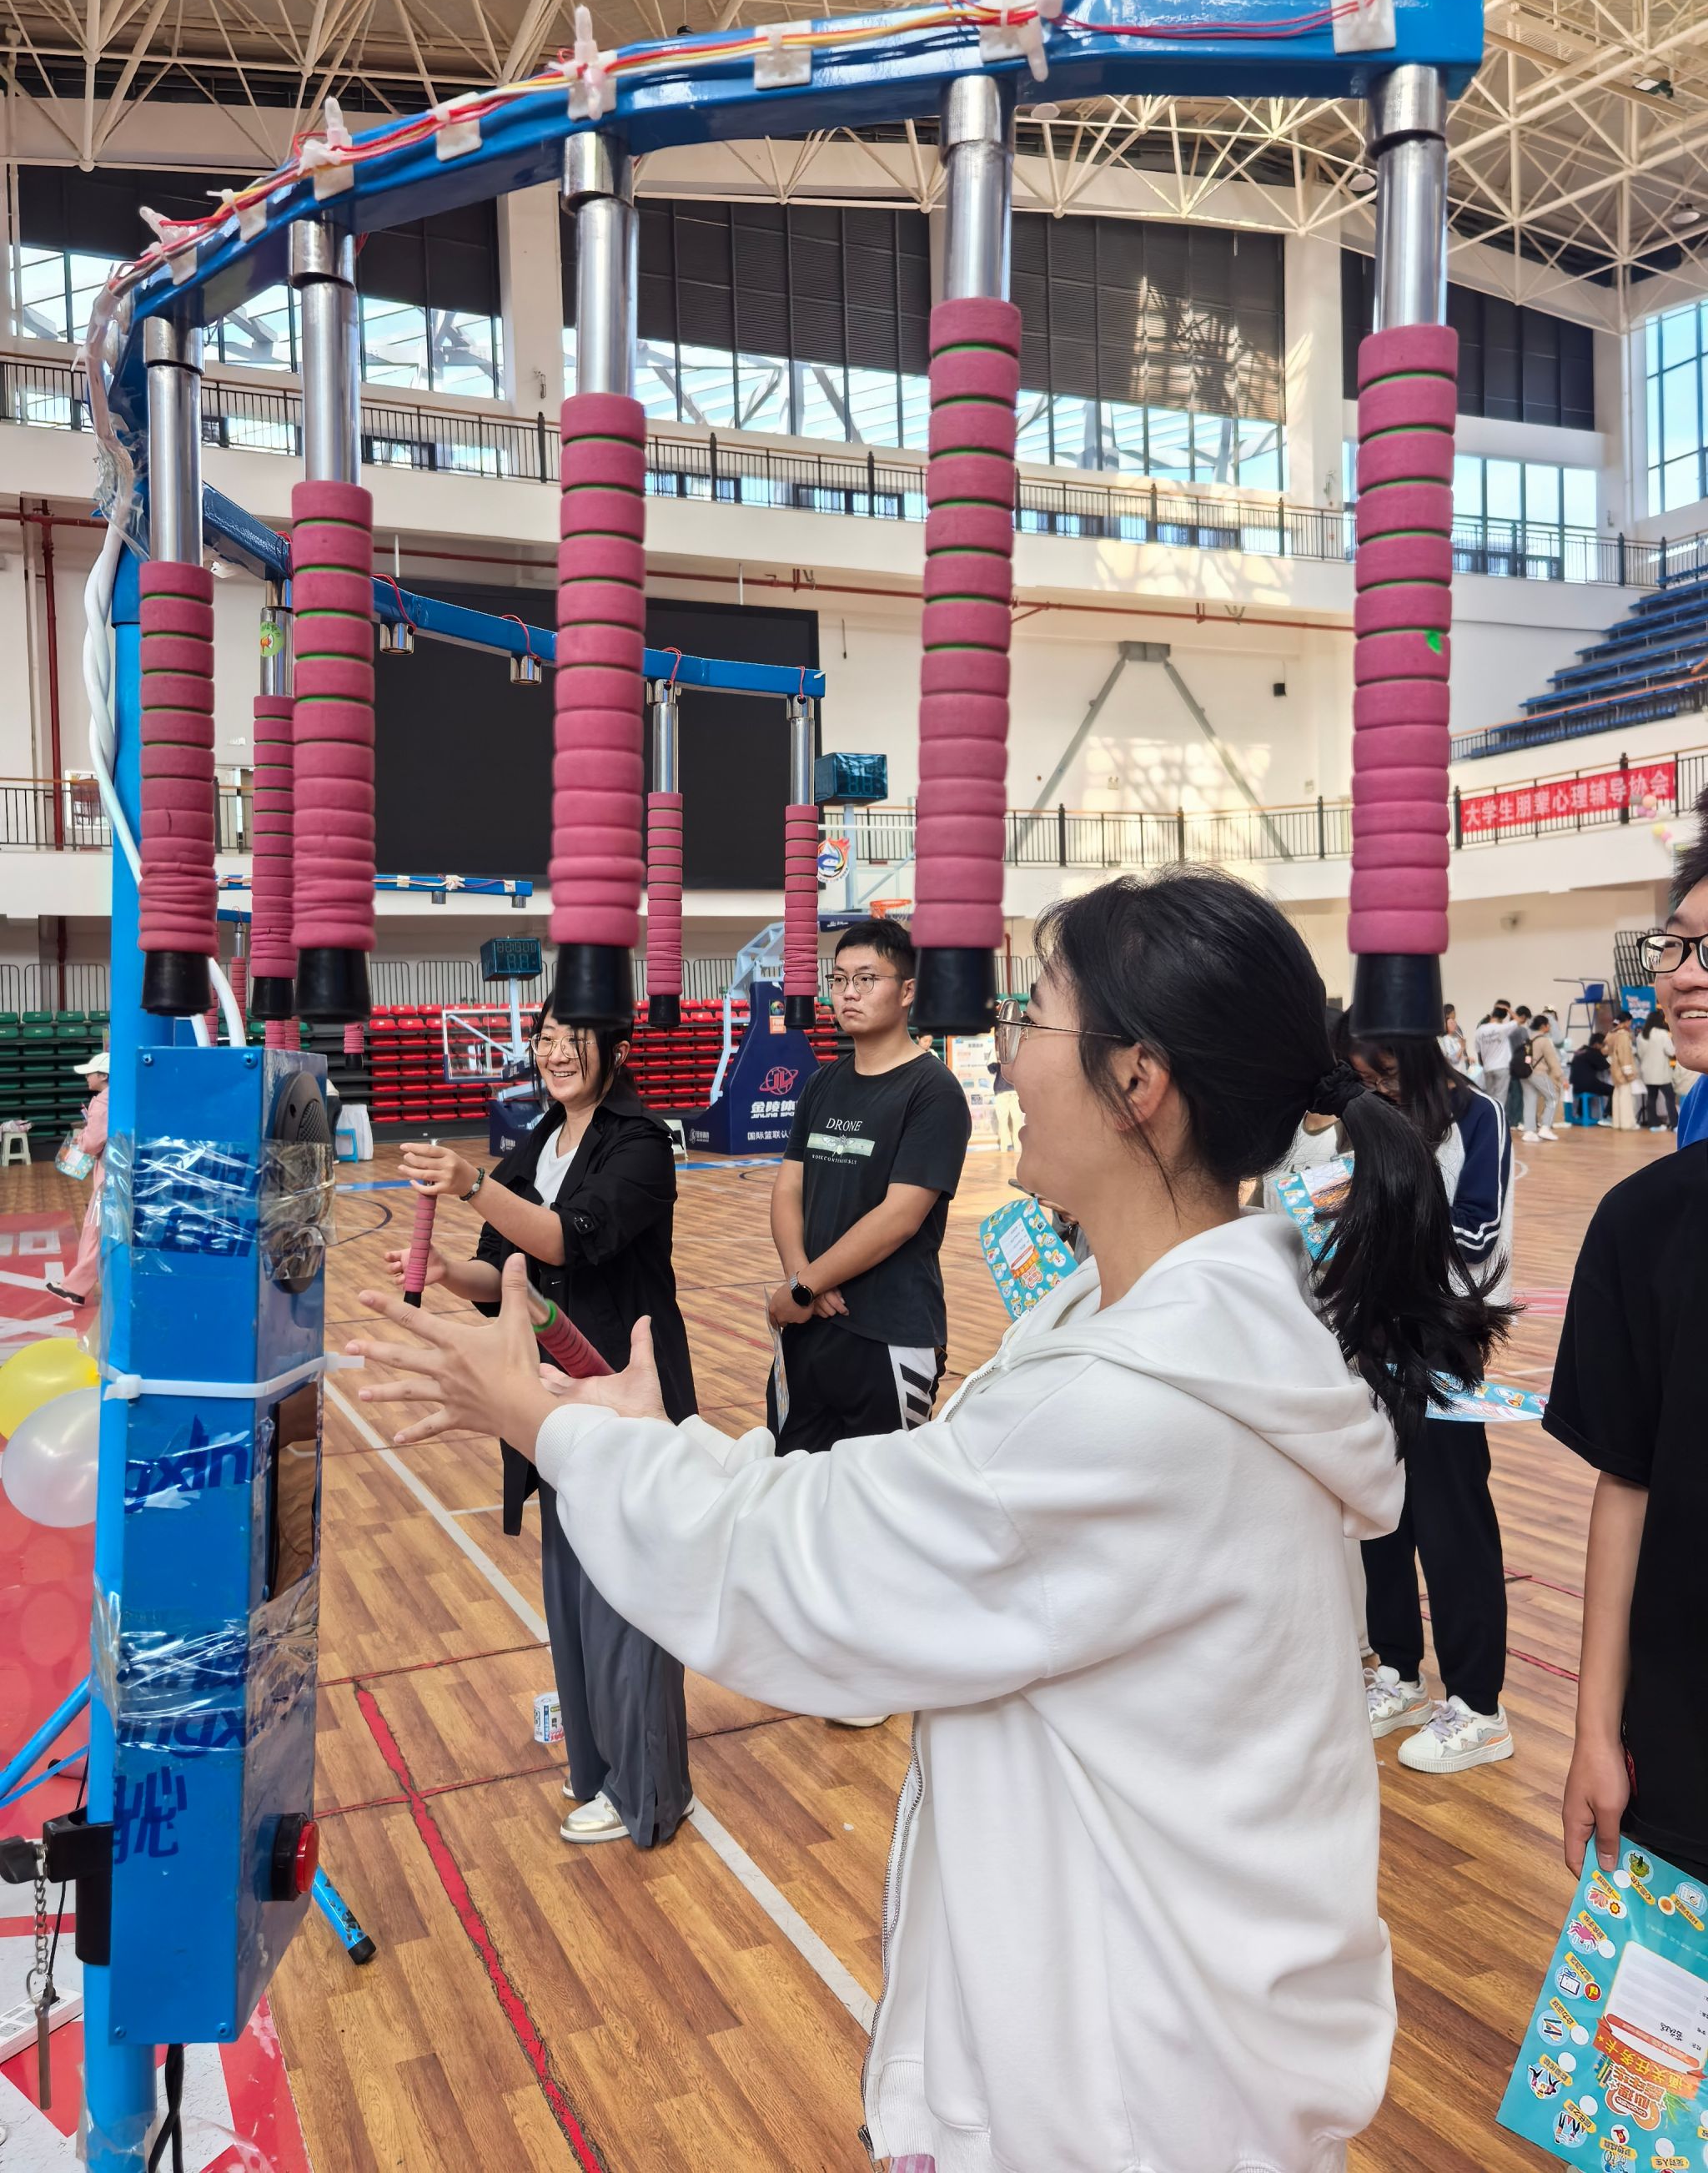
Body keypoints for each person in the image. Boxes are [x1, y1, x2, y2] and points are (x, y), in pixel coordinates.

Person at [350, 865, 1508, 2173]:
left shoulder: (1142, 1409)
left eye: (1034, 1015)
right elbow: (894, 1513)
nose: (1007, 1054)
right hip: (1141, 2054)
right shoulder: (1150, 1332)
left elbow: (812, 1571)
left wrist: (550, 1424)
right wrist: (638, 1435)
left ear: (1138, 1080)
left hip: (1128, 2105)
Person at [392, 1005, 697, 1849]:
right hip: (552, 1402)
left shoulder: (640, 1143)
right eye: (546, 1039)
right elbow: (507, 1270)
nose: (557, 1054)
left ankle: (649, 1795)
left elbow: (567, 1240)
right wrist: (447, 1271)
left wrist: (469, 1184)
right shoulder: (539, 1142)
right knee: (572, 1593)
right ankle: (597, 1770)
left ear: (617, 1050)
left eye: (575, 1040)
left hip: (626, 1397)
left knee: (628, 1603)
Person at [1550, 806, 1708, 1883]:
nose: (1685, 975)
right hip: (1684, 1734)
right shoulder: (1645, 1220)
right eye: (1677, 946)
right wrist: (1594, 1731)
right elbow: (1627, 1482)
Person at [1348, 1031, 1516, 1772]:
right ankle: (1399, 1673)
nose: (1377, 1089)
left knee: (1453, 1526)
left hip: (1447, 1339)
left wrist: (1381, 1225)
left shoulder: (1477, 1114)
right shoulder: (1370, 1118)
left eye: (1384, 1073)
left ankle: (1480, 1707)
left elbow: (1477, 1234)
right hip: (1373, 1334)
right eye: (1364, 1079)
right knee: (1381, 1513)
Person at [766, 917, 971, 1458]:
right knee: (789, 1489)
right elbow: (787, 1190)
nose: (848, 993)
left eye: (866, 979)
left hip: (889, 1334)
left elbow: (900, 1216)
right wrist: (799, 1280)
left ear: (907, 991)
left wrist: (806, 1286)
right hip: (807, 1328)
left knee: (883, 1499)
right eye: (838, 980)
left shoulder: (934, 1091)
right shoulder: (821, 1083)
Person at [46, 1051, 108, 1311]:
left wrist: (81, 1139)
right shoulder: (114, 1098)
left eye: (90, 1073)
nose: (87, 1077)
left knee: (96, 1231)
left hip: (109, 1178)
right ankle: (75, 1287)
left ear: (103, 1076)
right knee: (95, 1229)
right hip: (112, 1175)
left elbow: (93, 1143)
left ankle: (75, 1289)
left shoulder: (102, 1103)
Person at [1520, 1012, 1567, 1144]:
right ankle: (1545, 1127)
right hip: (1539, 1073)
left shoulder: (1527, 1040)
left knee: (1529, 1101)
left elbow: (1527, 1058)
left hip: (1525, 1074)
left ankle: (1529, 1132)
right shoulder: (1544, 1041)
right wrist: (1562, 1079)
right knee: (1553, 1098)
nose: (1550, 1027)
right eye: (1548, 1025)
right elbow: (1553, 1062)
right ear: (1543, 1026)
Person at [1637, 1009, 1677, 1130]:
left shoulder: (1641, 1035)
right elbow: (1671, 1051)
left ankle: (1654, 1125)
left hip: (1647, 1073)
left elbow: (1640, 1055)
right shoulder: (1663, 1034)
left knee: (1651, 1098)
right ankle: (1675, 1124)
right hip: (1662, 1073)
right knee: (1670, 1098)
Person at [1473, 1001, 1513, 1112]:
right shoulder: (1503, 1028)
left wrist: (1483, 1064)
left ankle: (1492, 1119)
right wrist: (1509, 1009)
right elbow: (1519, 1020)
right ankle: (1500, 1118)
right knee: (1501, 1098)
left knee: (1490, 1098)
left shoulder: (1480, 1030)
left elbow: (1478, 1051)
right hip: (1502, 1067)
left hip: (1488, 1068)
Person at [1606, 1009, 1642, 1133]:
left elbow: (1607, 1053)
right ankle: (1627, 1123)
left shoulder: (1612, 1034)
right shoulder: (1623, 1036)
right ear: (1627, 1021)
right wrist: (1629, 1072)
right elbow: (1625, 1055)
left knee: (1617, 1095)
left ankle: (1617, 1122)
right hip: (1622, 1070)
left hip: (1614, 1069)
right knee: (1626, 1097)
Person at [1569, 1033, 1613, 1125]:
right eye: (1603, 1045)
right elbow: (1605, 1066)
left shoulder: (1580, 1050)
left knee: (1586, 1085)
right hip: (1588, 1084)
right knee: (1614, 1090)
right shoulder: (1593, 1052)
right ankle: (1607, 1116)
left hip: (1575, 1086)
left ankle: (1580, 1114)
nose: (1603, 1048)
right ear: (1596, 1044)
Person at [1505, 1005, 1534, 1130]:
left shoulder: (1505, 1029)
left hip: (1505, 1065)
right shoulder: (1522, 1031)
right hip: (1518, 1066)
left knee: (1509, 1094)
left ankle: (1508, 1119)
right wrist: (1529, 1063)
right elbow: (1528, 1049)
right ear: (1523, 1017)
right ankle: (1516, 1121)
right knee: (1518, 1093)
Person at [989, 1055, 1022, 1152]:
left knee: (1004, 1120)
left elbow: (991, 1069)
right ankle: (1016, 1146)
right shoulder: (1017, 1049)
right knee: (1016, 1120)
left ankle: (1005, 1147)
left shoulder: (997, 1050)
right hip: (1014, 1089)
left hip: (1003, 1090)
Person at [1439, 1004, 1469, 1074]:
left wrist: (1467, 1058)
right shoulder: (1446, 1039)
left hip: (1462, 1069)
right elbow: (1453, 1058)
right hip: (1454, 1071)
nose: (1454, 1025)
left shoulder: (1455, 1037)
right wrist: (1462, 1047)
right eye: (1453, 1012)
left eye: (1454, 1023)